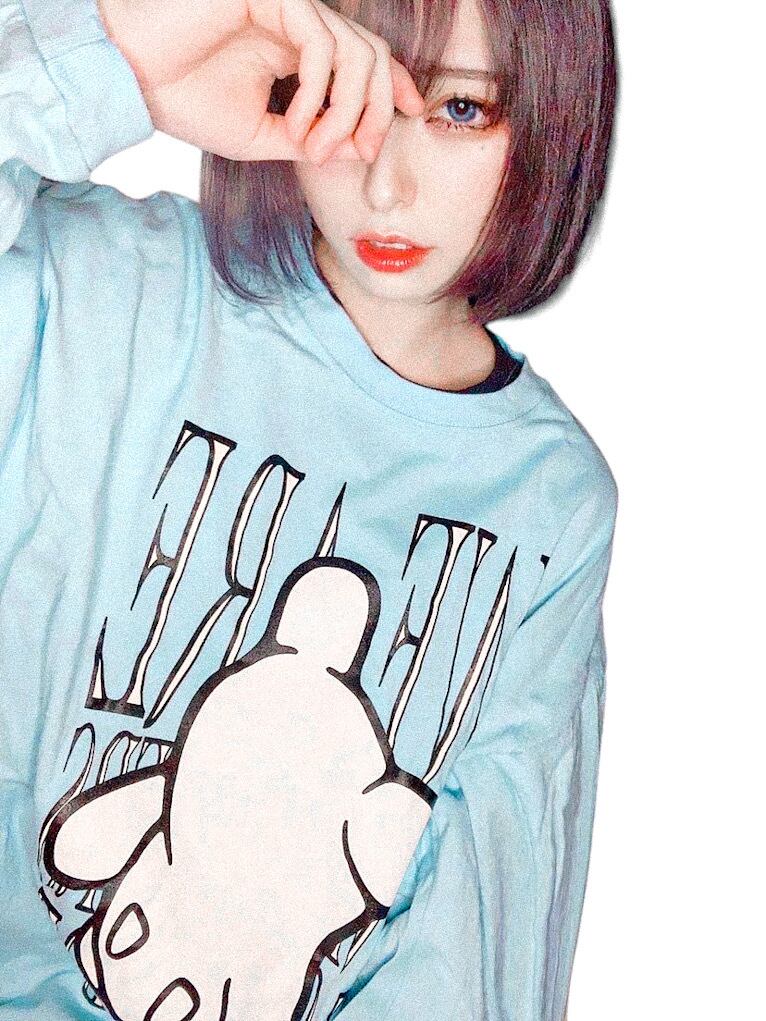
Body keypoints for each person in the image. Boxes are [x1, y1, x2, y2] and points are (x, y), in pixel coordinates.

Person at [0, 0, 618, 1018]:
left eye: (462, 111)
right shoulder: (111, 286)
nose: (387, 181)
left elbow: (472, 948)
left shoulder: (548, 503)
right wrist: (128, 58)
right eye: (349, 93)